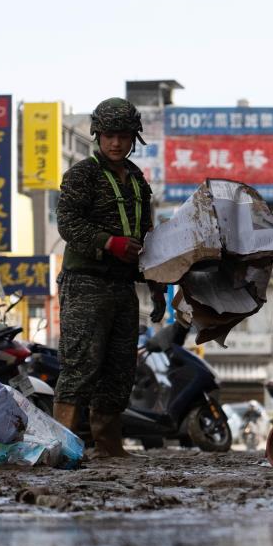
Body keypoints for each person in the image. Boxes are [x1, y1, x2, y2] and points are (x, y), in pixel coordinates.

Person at [53, 97, 167, 458]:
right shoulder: (81, 175)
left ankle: (109, 446)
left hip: (123, 286)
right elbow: (69, 224)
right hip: (85, 281)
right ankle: (63, 448)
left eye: (123, 136)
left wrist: (156, 284)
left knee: (119, 372)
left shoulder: (137, 180)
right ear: (97, 136)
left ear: (134, 138)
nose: (115, 143)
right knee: (80, 366)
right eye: (108, 135)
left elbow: (148, 236)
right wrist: (109, 243)